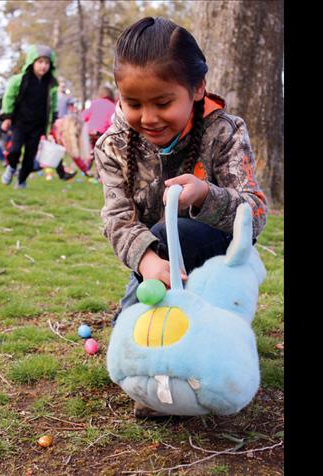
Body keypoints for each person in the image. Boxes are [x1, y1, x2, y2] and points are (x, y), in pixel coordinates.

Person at [94, 17, 268, 416]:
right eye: (133, 103)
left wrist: (206, 195)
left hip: (215, 246)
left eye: (162, 102)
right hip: (156, 256)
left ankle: (207, 357)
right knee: (132, 334)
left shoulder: (224, 132)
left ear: (197, 88)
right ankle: (161, 375)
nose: (148, 118)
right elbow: (116, 217)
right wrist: (148, 261)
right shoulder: (113, 145)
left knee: (175, 241)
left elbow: (254, 214)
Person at [0, 45, 76, 189]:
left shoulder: (50, 84)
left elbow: (53, 104)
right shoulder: (19, 80)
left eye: (47, 63)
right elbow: (8, 97)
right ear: (32, 62)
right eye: (40, 62)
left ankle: (21, 181)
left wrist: (53, 121)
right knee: (14, 150)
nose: (43, 66)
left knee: (30, 156)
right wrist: (7, 117)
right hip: (20, 123)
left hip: (38, 125)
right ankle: (11, 168)